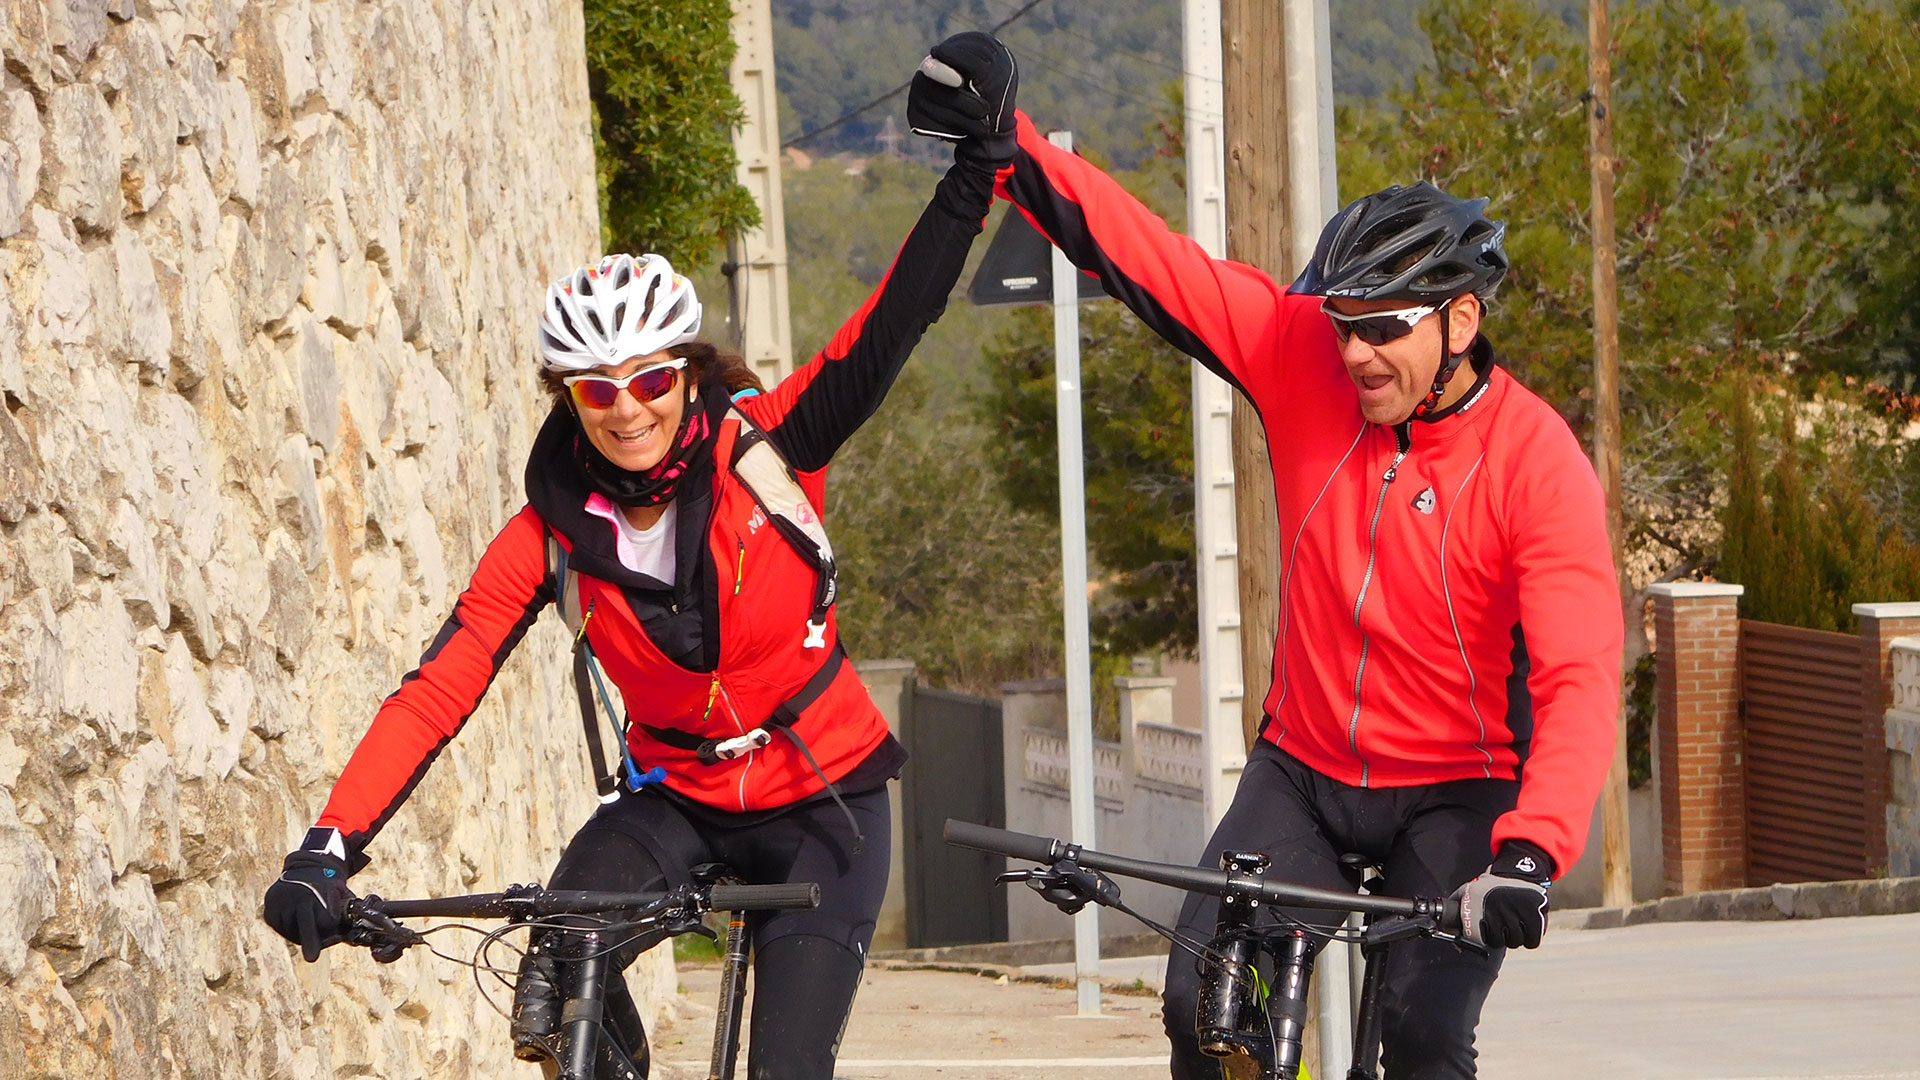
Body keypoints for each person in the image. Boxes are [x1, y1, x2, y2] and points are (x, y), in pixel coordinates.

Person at [262, 42, 1019, 1080]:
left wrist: (976, 172)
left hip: (822, 800)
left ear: (687, 370)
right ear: (568, 399)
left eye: (650, 379)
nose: (630, 409)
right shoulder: (551, 530)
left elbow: (891, 327)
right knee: (560, 961)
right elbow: (439, 685)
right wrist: (327, 846)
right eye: (596, 390)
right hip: (675, 798)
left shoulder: (770, 447)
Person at [910, 34, 1623, 1080]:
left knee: (1423, 1036)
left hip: (1460, 789)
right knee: (1200, 1002)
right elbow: (1159, 265)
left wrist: (1530, 853)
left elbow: (1578, 678)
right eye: (1342, 326)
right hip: (1304, 770)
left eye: (1382, 328)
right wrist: (1009, 145)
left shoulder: (1537, 461)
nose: (1355, 354)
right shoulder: (1305, 361)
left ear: (1462, 319)